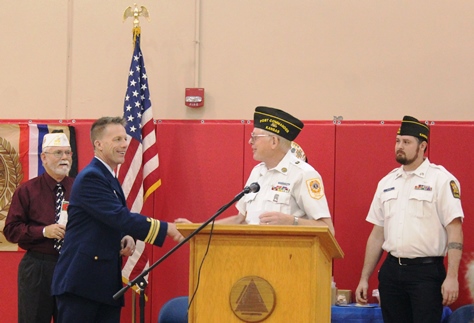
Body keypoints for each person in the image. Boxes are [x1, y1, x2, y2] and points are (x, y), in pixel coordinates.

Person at [51, 117, 184, 323]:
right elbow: (118, 216)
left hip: (101, 285)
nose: (124, 144)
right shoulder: (91, 177)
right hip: (82, 285)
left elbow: (106, 218)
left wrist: (125, 235)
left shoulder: (107, 176)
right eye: (117, 139)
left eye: (125, 139)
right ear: (99, 144)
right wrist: (167, 228)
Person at [355, 116, 464, 323]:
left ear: (422, 146)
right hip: (391, 271)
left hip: (426, 274)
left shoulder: (441, 180)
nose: (399, 146)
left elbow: (455, 230)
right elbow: (377, 234)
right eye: (397, 141)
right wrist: (364, 278)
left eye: (406, 142)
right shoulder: (387, 182)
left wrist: (452, 276)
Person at [176, 106, 335, 235]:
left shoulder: (303, 174)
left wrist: (291, 222)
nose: (250, 141)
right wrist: (197, 229)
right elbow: (241, 220)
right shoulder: (258, 172)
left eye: (255, 137)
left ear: (274, 141)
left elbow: (327, 228)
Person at [4, 132, 74, 323]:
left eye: (68, 153)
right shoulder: (27, 190)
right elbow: (11, 230)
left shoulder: (80, 189)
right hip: (37, 267)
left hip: (71, 266)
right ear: (43, 157)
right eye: (58, 153)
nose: (65, 158)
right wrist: (44, 231)